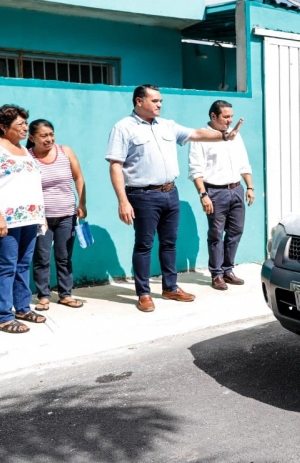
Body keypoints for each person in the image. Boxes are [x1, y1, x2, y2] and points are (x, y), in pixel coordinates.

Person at [105, 84, 242, 313]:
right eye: (155, 101)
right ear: (139, 101)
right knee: (144, 245)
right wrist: (123, 201)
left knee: (169, 244)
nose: (160, 105)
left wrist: (224, 136)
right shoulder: (123, 128)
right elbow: (116, 166)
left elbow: (197, 134)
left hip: (170, 192)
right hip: (142, 195)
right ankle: (144, 293)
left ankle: (170, 287)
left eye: (160, 101)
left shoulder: (167, 126)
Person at [0, 105, 47, 333]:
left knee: (23, 264)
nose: (26, 128)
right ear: (4, 127)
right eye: (20, 124)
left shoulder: (23, 150)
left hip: (29, 217)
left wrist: (40, 216)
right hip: (6, 220)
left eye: (26, 123)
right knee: (7, 266)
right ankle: (4, 316)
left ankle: (23, 308)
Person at [188, 100, 255, 291]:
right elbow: (196, 169)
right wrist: (203, 195)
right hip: (215, 191)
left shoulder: (235, 135)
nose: (229, 121)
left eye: (231, 117)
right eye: (225, 117)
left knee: (235, 231)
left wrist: (249, 187)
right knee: (216, 234)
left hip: (236, 189)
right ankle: (216, 274)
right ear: (213, 116)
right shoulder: (201, 137)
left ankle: (228, 269)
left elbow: (243, 162)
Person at [27, 119, 87, 310]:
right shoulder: (27, 157)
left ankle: (65, 294)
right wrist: (37, 214)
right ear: (31, 137)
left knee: (64, 257)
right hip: (41, 218)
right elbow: (26, 188)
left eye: (51, 134)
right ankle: (43, 296)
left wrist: (82, 202)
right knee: (42, 258)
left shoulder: (65, 151)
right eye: (43, 136)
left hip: (67, 215)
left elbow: (78, 177)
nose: (49, 139)